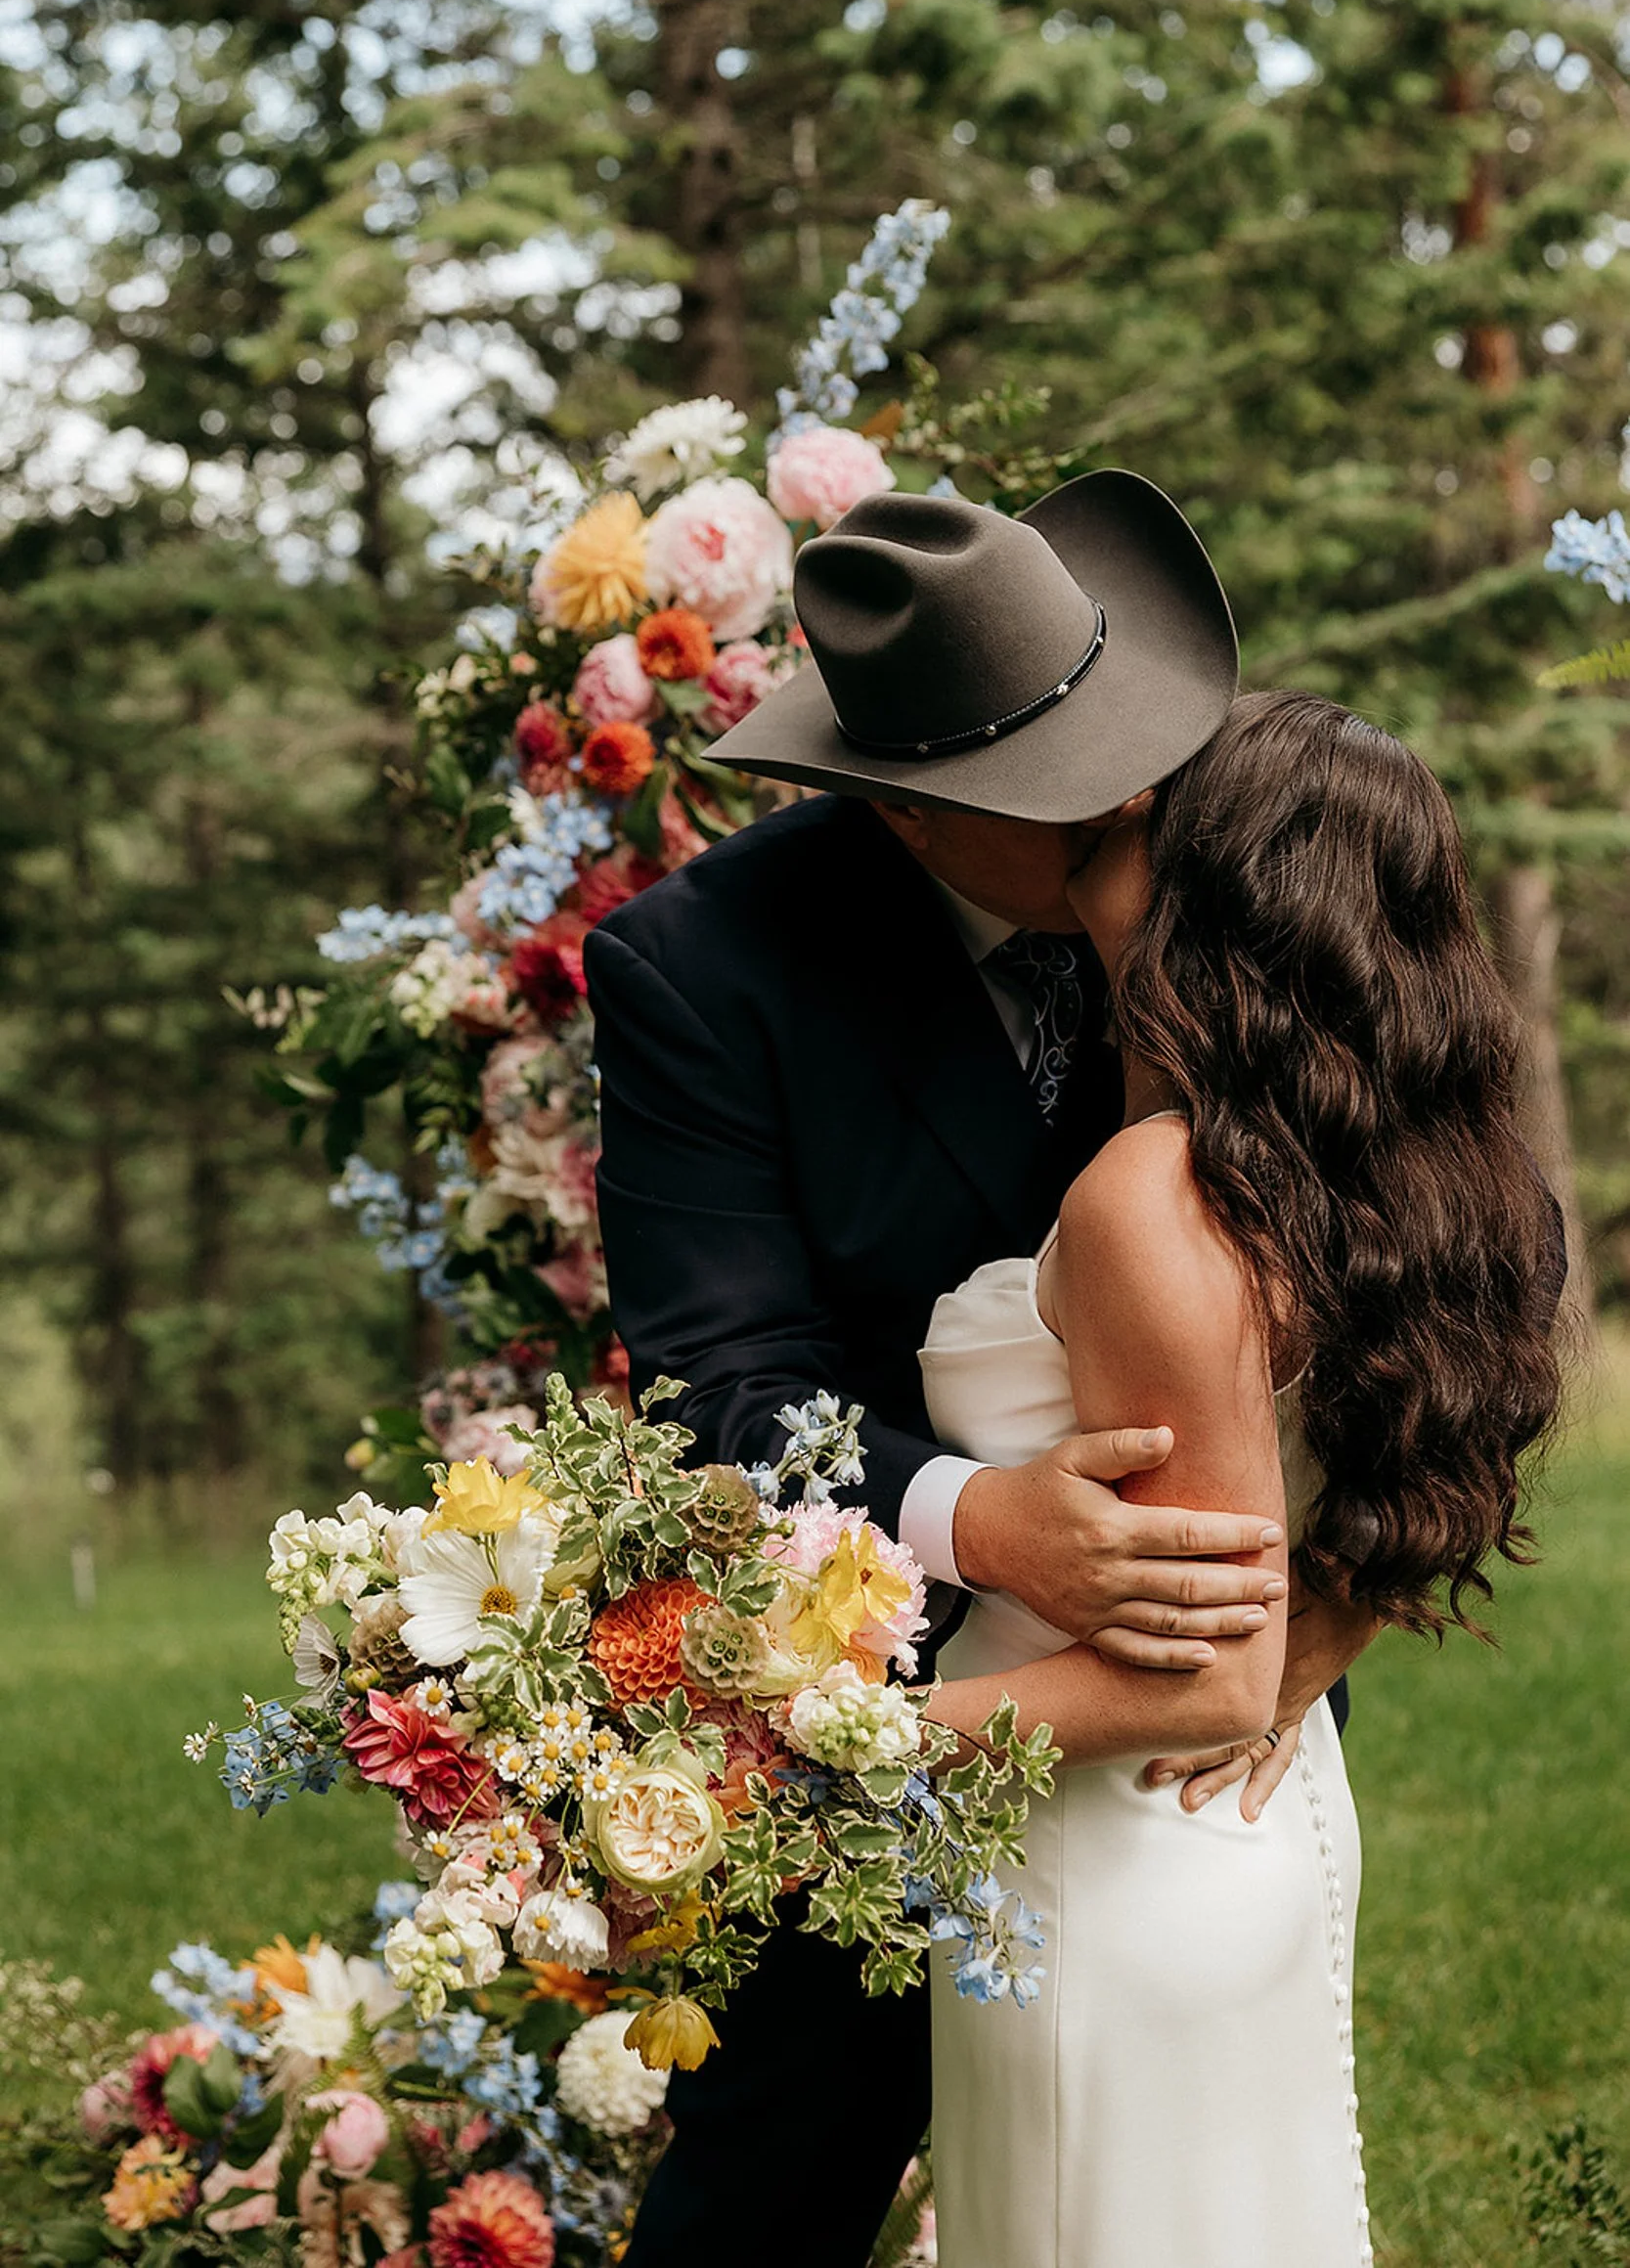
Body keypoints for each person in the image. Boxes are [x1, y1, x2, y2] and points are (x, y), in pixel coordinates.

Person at [585, 475, 1374, 2268]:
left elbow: (1472, 1227)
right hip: (875, 1712)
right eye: (1071, 783)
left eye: (1133, 738)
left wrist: (1355, 1583)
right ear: (918, 820)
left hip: (1203, 1739)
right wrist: (976, 1520)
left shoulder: (1226, 841)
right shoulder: (702, 970)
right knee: (766, 2189)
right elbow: (715, 1385)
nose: (1136, 797)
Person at [922, 689, 1564, 2266]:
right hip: (1246, 1823)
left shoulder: (1158, 1193)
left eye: (1155, 810)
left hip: (1108, 1838)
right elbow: (1366, 1491)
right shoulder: (1374, 1169)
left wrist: (831, 1743)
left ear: (1223, 885)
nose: (1111, 808)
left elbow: (1209, 1681)